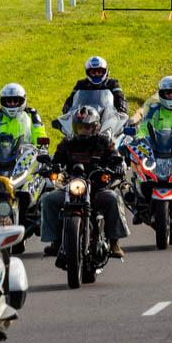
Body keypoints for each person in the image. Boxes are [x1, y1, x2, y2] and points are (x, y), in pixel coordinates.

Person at [40, 104, 130, 259]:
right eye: (80, 127)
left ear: (95, 127)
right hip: (71, 187)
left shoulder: (104, 142)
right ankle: (55, 241)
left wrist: (118, 166)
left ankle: (114, 242)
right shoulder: (67, 143)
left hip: (97, 188)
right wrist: (50, 167)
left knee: (113, 198)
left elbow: (115, 157)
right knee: (48, 199)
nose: (83, 131)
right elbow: (57, 160)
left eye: (87, 127)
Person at [0, 83, 49, 150]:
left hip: (26, 157)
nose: (12, 103)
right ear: (3, 101)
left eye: (16, 100)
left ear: (22, 101)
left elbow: (39, 134)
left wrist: (42, 148)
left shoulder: (31, 115)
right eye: (9, 101)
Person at [61, 55, 128, 115]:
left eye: (99, 71)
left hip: (107, 116)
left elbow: (120, 98)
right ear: (87, 72)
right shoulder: (81, 84)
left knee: (126, 123)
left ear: (105, 71)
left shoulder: (112, 83)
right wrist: (67, 108)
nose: (96, 74)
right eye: (93, 72)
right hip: (85, 116)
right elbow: (71, 99)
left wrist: (122, 108)